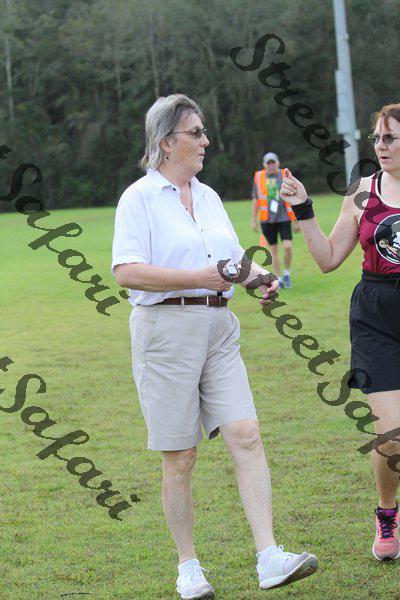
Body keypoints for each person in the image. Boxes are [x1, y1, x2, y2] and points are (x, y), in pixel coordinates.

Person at [111, 93, 318, 598]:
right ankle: (188, 567)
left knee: (246, 433)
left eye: (203, 132)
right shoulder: (138, 198)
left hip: (220, 328)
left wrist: (258, 276)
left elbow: (228, 262)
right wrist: (198, 277)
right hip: (164, 332)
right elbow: (127, 272)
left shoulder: (207, 196)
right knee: (180, 455)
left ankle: (269, 556)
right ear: (166, 142)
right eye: (196, 133)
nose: (206, 141)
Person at [280, 102, 400, 562]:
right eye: (377, 138)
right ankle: (387, 513)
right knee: (391, 434)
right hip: (375, 317)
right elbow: (328, 259)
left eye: (390, 138)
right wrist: (303, 208)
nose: (381, 146)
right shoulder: (363, 192)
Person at [251, 153, 299, 289]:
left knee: (287, 247)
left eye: (273, 163)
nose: (271, 165)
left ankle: (287, 273)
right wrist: (253, 220)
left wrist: (296, 221)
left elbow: (294, 196)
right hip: (267, 220)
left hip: (284, 218)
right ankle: (279, 278)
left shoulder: (285, 175)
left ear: (278, 163)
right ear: (264, 165)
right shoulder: (259, 177)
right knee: (274, 251)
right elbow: (256, 199)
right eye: (268, 163)